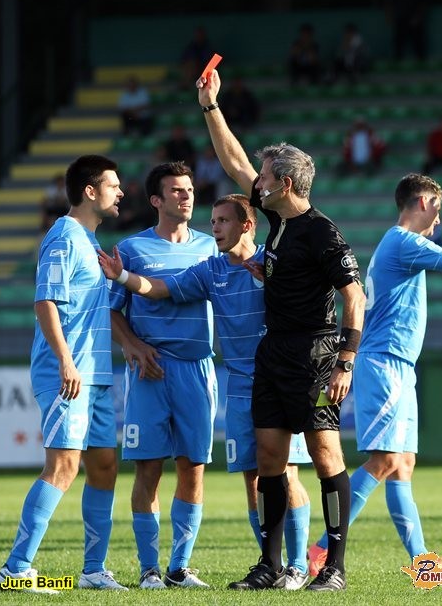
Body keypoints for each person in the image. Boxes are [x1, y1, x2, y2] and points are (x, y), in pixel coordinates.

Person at [197, 69, 366, 592]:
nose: (257, 182)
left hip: (317, 354)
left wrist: (345, 362)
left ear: (284, 184)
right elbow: (235, 161)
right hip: (274, 352)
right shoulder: (278, 224)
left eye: (266, 176)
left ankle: (333, 567)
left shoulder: (321, 232)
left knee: (325, 456)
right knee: (269, 458)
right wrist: (210, 107)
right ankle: (269, 565)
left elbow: (355, 297)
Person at [98, 193, 313, 589]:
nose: (214, 228)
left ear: (246, 225)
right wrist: (123, 276)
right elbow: (159, 288)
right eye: (212, 221)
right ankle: (271, 564)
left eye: (222, 221)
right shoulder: (211, 270)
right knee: (253, 478)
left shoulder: (274, 262)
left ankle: (299, 566)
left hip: (281, 380)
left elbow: (315, 298)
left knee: (286, 472)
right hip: (240, 386)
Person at [308, 173, 442, 576]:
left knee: (402, 463)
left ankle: (422, 564)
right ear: (423, 203)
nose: (439, 219)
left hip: (398, 364)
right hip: (384, 362)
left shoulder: (399, 243)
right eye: (438, 209)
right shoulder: (404, 241)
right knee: (385, 459)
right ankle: (320, 551)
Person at [0, 155, 127, 593]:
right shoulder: (64, 237)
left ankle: (92, 571)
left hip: (96, 374)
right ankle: (16, 569)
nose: (121, 191)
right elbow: (45, 302)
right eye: (113, 185)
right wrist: (66, 360)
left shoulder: (89, 241)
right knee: (63, 466)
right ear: (90, 191)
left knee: (104, 466)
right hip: (67, 374)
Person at [108, 161, 218, 589]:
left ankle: (179, 568)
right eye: (175, 190)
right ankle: (149, 568)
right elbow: (111, 310)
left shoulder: (210, 247)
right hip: (149, 372)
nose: (185, 195)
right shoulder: (132, 249)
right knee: (148, 468)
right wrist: (132, 344)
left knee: (193, 468)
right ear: (156, 200)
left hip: (197, 368)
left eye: (189, 189)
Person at [179, 25, 214, 90]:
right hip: (193, 70)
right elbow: (184, 59)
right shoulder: (191, 46)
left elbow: (209, 60)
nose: (199, 36)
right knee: (190, 65)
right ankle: (185, 85)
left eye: (200, 35)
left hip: (204, 69)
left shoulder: (208, 47)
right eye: (197, 35)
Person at [287, 22, 322, 87]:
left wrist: (308, 46)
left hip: (309, 66)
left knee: (317, 65)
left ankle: (315, 83)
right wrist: (302, 47)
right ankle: (294, 82)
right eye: (303, 34)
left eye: (307, 34)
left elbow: (312, 59)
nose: (305, 36)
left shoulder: (314, 45)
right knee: (292, 62)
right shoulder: (297, 43)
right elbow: (294, 55)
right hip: (299, 66)